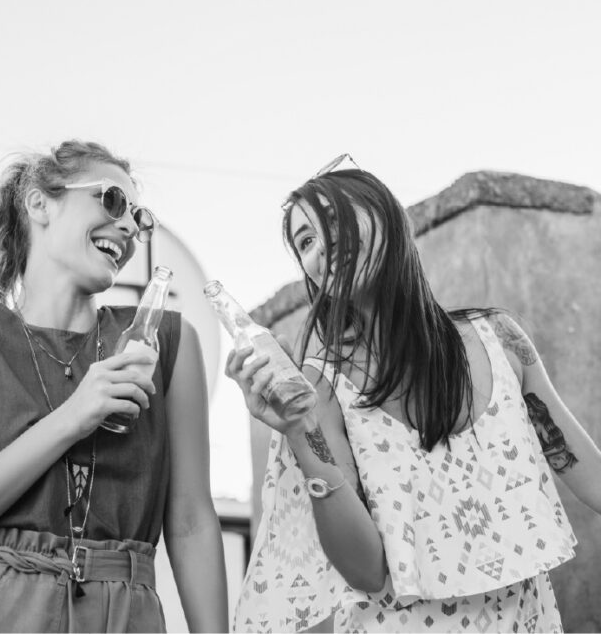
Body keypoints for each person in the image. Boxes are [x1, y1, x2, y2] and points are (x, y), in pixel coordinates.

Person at [229, 158, 601, 633]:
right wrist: (302, 432)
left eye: (335, 219)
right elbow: (364, 570)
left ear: (390, 218)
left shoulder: (500, 342)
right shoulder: (321, 389)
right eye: (305, 241)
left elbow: (589, 474)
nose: (322, 244)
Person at [0, 140, 228, 632]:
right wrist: (72, 418)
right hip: (2, 615)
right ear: (40, 202)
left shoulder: (168, 342)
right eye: (112, 200)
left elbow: (190, 522)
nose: (127, 228)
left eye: (138, 220)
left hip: (128, 616)